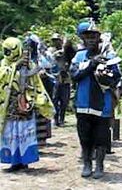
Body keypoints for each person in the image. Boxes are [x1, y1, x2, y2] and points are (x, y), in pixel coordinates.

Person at [71, 21, 121, 179]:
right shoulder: (79, 56)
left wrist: (107, 75)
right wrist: (92, 65)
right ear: (83, 39)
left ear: (99, 38)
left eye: (94, 36)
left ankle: (99, 165)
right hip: (83, 103)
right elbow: (75, 76)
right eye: (87, 37)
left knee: (101, 137)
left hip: (103, 104)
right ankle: (87, 163)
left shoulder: (109, 56)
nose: (91, 39)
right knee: (84, 136)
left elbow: (117, 77)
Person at [0, 37, 53, 172]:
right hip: (9, 106)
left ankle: (24, 162)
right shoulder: (4, 64)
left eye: (9, 51)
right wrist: (14, 67)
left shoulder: (28, 65)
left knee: (24, 133)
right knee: (11, 134)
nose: (7, 54)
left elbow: (35, 82)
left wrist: (41, 102)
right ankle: (13, 161)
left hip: (25, 104)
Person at [48, 33, 74, 126]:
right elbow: (48, 61)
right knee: (54, 100)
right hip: (54, 78)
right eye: (54, 40)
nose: (56, 42)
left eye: (57, 40)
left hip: (65, 78)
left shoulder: (67, 51)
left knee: (64, 100)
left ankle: (62, 119)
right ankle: (55, 119)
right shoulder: (51, 51)